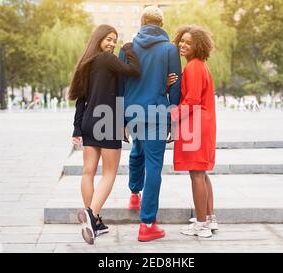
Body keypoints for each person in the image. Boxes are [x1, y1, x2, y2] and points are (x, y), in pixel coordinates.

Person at [69, 24, 141, 245]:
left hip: (90, 121)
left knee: (88, 171)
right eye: (109, 39)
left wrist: (77, 127)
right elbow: (134, 70)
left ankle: (95, 221)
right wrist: (129, 48)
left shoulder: (86, 62)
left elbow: (80, 99)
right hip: (107, 119)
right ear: (99, 39)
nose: (112, 43)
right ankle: (91, 214)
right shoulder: (107, 59)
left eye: (115, 40)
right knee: (109, 173)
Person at [118, 6, 182, 242]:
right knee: (154, 165)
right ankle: (147, 224)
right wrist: (173, 120)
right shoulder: (169, 49)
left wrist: (120, 120)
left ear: (142, 22)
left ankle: (134, 193)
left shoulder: (126, 48)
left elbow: (120, 85)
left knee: (138, 149)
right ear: (161, 24)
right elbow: (175, 85)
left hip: (132, 111)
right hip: (157, 111)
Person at [170, 25, 218, 238]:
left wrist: (170, 117)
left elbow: (192, 100)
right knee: (202, 173)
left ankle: (201, 225)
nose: (183, 44)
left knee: (197, 174)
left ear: (198, 46)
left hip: (196, 124)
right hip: (203, 123)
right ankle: (209, 218)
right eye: (182, 40)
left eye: (188, 42)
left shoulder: (194, 67)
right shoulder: (198, 66)